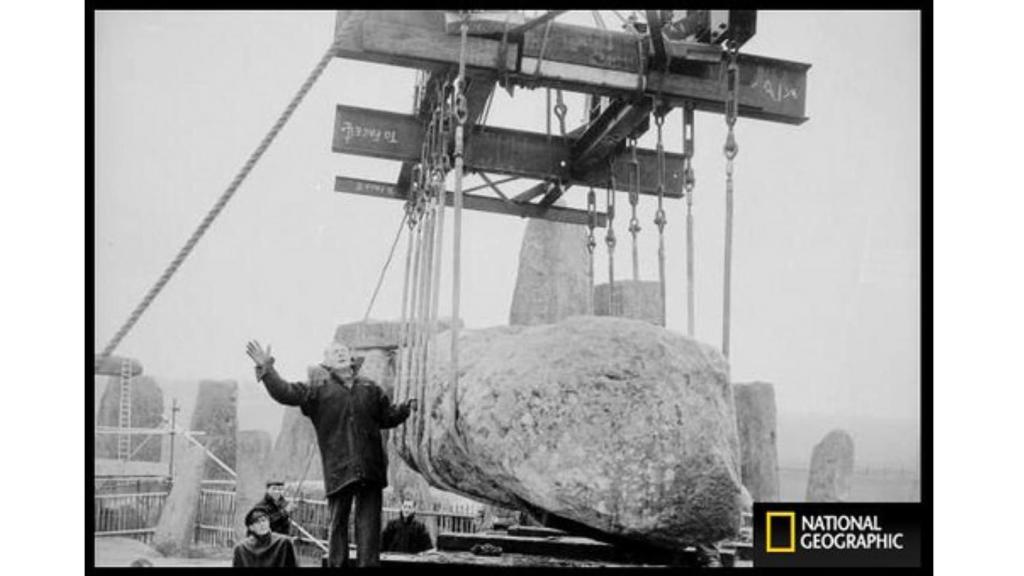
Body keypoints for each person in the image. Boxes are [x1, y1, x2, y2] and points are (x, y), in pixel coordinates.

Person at [246, 339, 417, 567]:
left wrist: (405, 409)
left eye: (344, 350)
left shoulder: (370, 387)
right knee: (338, 525)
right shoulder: (317, 388)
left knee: (369, 528)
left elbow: (387, 417)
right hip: (338, 468)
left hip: (370, 466)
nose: (340, 354)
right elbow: (285, 392)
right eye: (335, 352)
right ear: (326, 362)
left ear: (351, 358)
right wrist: (267, 369)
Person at [232, 507, 299, 567]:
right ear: (251, 527)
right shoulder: (241, 548)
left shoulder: (283, 543)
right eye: (257, 522)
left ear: (269, 522)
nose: (262, 524)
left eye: (264, 520)